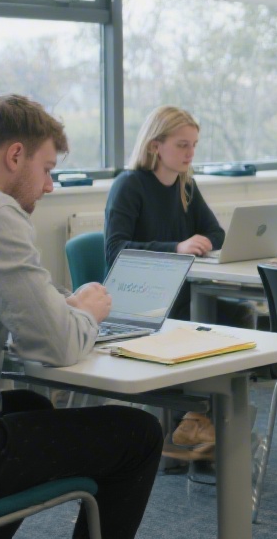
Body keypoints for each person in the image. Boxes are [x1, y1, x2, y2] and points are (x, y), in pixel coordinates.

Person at [0, 95, 163, 538]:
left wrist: (58, 308)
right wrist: (87, 313)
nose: (50, 186)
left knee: (30, 406)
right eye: (47, 169)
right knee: (140, 434)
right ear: (15, 155)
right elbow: (56, 347)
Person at [104, 106, 229, 462]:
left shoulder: (185, 185)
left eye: (194, 145)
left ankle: (197, 417)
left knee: (237, 314)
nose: (190, 154)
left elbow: (216, 232)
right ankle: (194, 417)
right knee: (202, 322)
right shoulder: (129, 185)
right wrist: (176, 247)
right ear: (156, 145)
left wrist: (201, 240)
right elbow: (116, 251)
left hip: (177, 291)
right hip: (139, 297)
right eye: (182, 145)